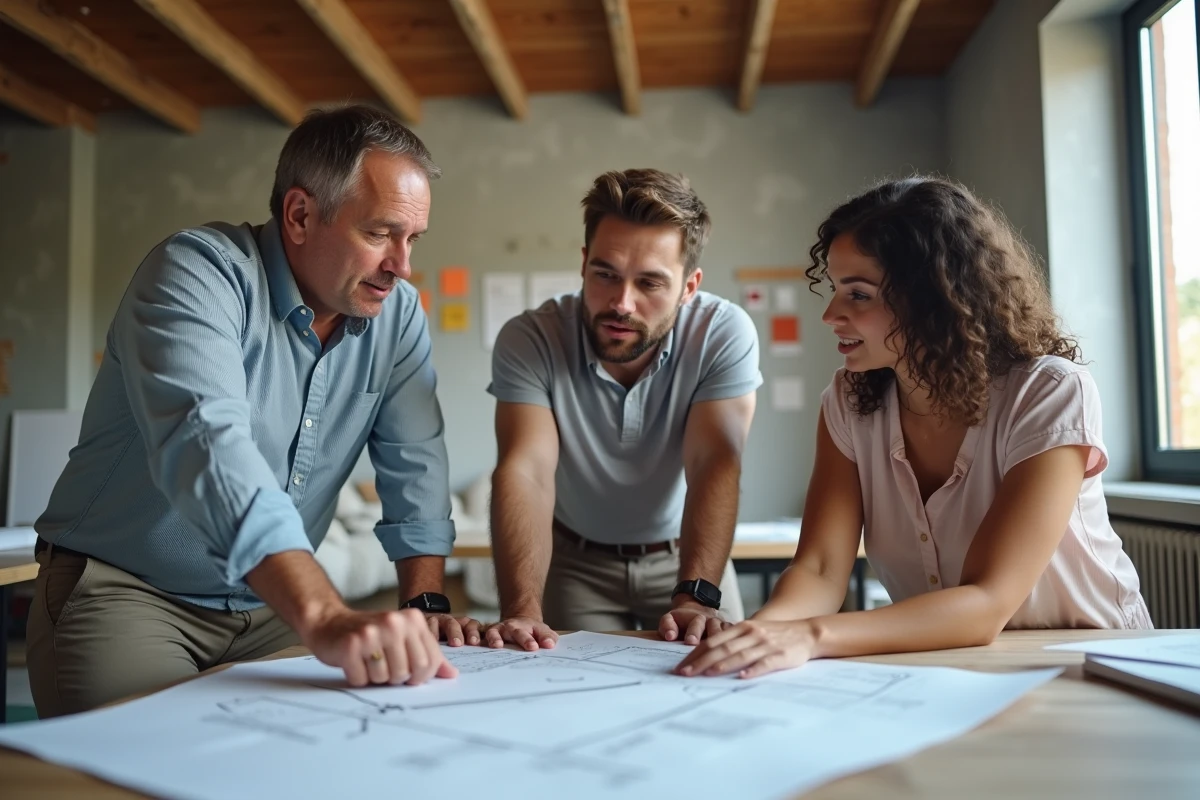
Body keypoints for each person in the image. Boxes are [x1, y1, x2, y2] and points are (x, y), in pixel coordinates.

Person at [28, 105, 480, 717]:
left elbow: (415, 461)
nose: (402, 265)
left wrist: (424, 606)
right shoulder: (196, 272)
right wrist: (322, 613)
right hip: (129, 592)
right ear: (299, 214)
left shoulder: (398, 315)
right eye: (379, 234)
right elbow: (208, 447)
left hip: (266, 610)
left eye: (411, 239)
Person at [675, 176, 1152, 680]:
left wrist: (812, 635)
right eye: (835, 290)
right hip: (950, 667)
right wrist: (763, 633)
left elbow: (987, 601)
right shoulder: (847, 401)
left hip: (1094, 663)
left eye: (858, 295)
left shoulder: (1049, 392)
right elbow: (819, 569)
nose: (831, 314)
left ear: (933, 297)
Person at [484, 168, 761, 651]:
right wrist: (522, 610)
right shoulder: (530, 339)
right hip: (577, 563)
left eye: (650, 283)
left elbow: (713, 461)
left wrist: (696, 597)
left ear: (689, 286)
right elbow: (527, 471)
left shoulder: (723, 333)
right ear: (584, 262)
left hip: (686, 558)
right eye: (605, 275)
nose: (622, 304)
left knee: (719, 684)